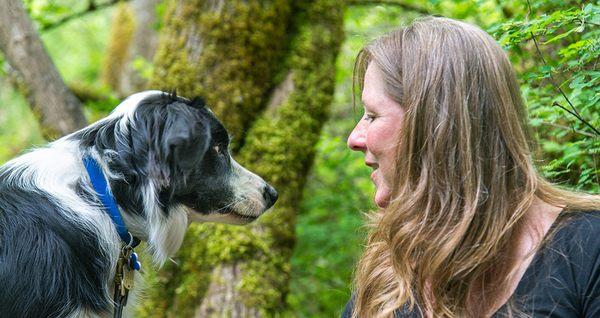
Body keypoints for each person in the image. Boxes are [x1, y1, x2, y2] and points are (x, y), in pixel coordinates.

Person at [344, 16, 600, 318]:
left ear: (433, 127)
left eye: (372, 115)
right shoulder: (387, 274)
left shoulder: (587, 250)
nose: (354, 139)